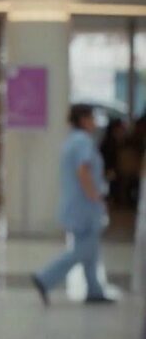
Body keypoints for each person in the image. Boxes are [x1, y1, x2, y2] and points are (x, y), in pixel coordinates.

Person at [31, 104, 114, 305]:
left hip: (77, 204)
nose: (95, 123)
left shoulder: (72, 141)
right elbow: (83, 171)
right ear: (83, 120)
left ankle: (94, 290)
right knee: (85, 249)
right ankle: (45, 277)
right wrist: (95, 195)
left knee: (90, 249)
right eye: (92, 118)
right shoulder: (83, 141)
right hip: (85, 205)